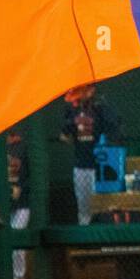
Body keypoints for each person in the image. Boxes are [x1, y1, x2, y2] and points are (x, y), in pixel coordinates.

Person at [59, 84, 118, 225]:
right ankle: (84, 230)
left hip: (99, 163)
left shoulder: (99, 109)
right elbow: (64, 135)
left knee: (98, 202)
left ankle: (100, 227)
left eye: (90, 89)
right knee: (83, 203)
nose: (88, 92)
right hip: (81, 164)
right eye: (85, 89)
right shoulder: (72, 110)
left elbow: (111, 127)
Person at [6, 129, 31, 279]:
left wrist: (21, 188)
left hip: (22, 203)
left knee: (17, 239)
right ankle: (9, 278)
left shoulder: (25, 147)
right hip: (2, 203)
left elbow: (32, 175)